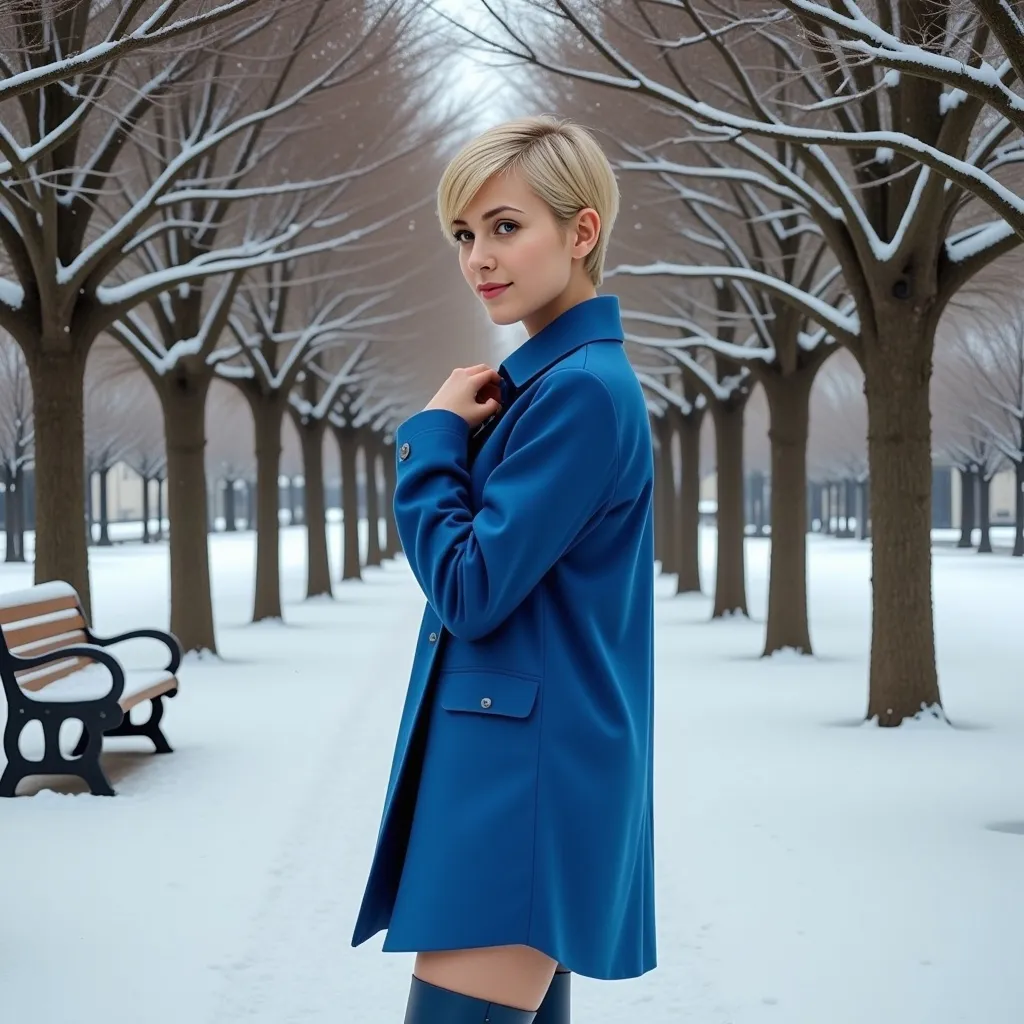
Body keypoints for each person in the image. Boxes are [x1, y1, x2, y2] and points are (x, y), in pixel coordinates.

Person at [350, 114, 657, 1023]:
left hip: (523, 784)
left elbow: (472, 587)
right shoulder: (553, 385)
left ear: (582, 230)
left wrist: (433, 439)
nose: (479, 256)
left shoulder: (581, 395)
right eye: (464, 233)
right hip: (521, 768)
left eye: (506, 226)